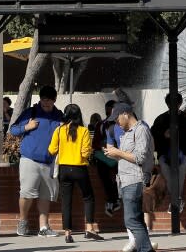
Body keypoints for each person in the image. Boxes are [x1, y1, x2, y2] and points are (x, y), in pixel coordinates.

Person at [9, 85, 63, 237]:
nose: (45, 103)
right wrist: (27, 126)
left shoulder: (59, 115)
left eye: (49, 100)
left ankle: (44, 227)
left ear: (54, 100)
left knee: (46, 196)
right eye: (43, 100)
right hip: (29, 159)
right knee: (27, 193)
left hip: (50, 161)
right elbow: (13, 130)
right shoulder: (30, 112)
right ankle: (23, 221)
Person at [104, 101, 157, 252]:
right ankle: (147, 248)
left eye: (117, 118)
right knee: (137, 219)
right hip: (127, 180)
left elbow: (140, 157)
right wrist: (114, 154)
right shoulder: (129, 132)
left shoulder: (141, 130)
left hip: (134, 180)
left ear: (125, 114)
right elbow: (129, 156)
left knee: (131, 220)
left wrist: (118, 153)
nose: (116, 122)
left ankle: (145, 249)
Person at [48, 103, 103, 243]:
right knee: (88, 197)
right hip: (79, 168)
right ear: (79, 115)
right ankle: (89, 228)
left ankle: (67, 233)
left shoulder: (59, 130)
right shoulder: (84, 131)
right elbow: (85, 153)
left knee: (66, 201)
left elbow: (51, 150)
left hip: (64, 169)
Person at [92, 100, 121, 217]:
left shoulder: (121, 124)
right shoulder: (101, 124)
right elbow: (95, 144)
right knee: (105, 178)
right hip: (104, 157)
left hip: (119, 156)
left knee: (120, 178)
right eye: (109, 110)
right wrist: (103, 147)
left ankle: (114, 200)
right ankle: (112, 200)